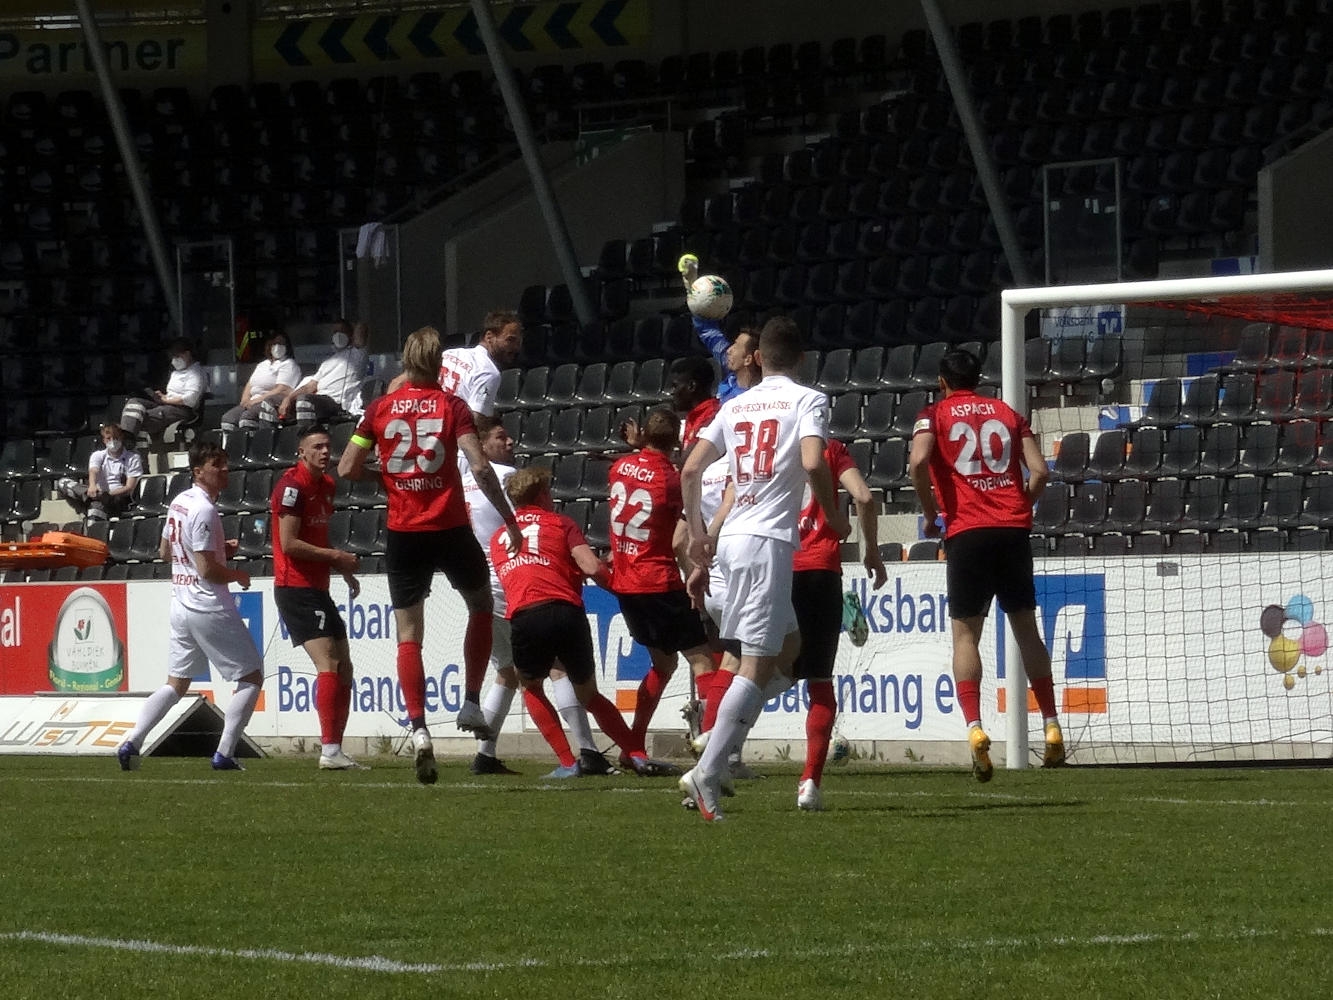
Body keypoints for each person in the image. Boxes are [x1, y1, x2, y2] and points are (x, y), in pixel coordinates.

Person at [679, 314, 848, 820]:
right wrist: (832, 515)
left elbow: (691, 468)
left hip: (733, 539)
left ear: (758, 357)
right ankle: (708, 769)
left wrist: (699, 533)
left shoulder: (734, 404)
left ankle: (720, 734)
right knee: (755, 664)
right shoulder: (808, 399)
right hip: (767, 542)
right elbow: (814, 461)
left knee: (789, 650)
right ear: (802, 358)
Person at [338, 325, 521, 786]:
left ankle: (419, 729)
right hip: (450, 526)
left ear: (405, 362)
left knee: (408, 635)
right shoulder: (452, 406)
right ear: (439, 363)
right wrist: (510, 519)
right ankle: (471, 700)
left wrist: (387, 479)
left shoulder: (379, 409)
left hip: (404, 532)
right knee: (480, 605)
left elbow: (346, 467)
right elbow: (480, 467)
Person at [907, 346, 1065, 782]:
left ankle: (975, 728)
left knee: (965, 636)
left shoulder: (933, 414)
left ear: (942, 382)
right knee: (1027, 630)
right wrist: (1021, 507)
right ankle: (1052, 723)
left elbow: (918, 460)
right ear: (978, 378)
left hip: (967, 531)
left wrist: (930, 513)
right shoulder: (1007, 413)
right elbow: (1040, 471)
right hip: (1012, 530)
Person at [489, 465, 672, 777]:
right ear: (542, 495)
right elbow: (591, 567)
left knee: (530, 687)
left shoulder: (498, 538)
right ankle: (637, 755)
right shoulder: (561, 523)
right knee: (589, 694)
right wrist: (623, 590)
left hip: (526, 615)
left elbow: (519, 577)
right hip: (567, 612)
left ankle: (567, 762)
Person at [459, 414, 603, 776]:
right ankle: (587, 751)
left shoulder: (463, 482)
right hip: (513, 580)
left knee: (508, 672)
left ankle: (485, 754)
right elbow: (533, 521)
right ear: (481, 444)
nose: (509, 442)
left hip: (480, 583)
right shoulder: (505, 478)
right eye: (500, 437)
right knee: (557, 665)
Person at [116, 441, 263, 772]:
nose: (224, 470)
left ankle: (132, 742)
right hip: (207, 604)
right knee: (252, 676)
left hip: (180, 604)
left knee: (176, 684)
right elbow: (208, 571)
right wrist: (237, 573)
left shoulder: (179, 501)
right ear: (198, 471)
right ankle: (224, 754)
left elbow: (165, 552)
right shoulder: (204, 510)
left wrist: (219, 549)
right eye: (216, 464)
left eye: (224, 463)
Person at [606, 406, 711, 772]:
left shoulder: (618, 468)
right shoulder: (672, 479)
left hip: (625, 582)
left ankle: (633, 744)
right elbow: (682, 529)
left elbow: (640, 470)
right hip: (658, 579)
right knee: (702, 660)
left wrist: (638, 448)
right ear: (678, 440)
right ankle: (715, 749)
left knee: (663, 664)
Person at [789, 438, 888, 811]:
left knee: (752, 675)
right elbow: (864, 497)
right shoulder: (832, 450)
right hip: (820, 571)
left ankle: (716, 758)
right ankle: (810, 782)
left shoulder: (774, 444)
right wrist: (871, 551)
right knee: (819, 681)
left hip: (775, 569)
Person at [271, 423, 365, 771]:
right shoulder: (292, 488)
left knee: (344, 666)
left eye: (327, 446)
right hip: (294, 587)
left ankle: (335, 748)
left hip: (317, 587)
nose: (325, 452)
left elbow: (319, 539)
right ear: (301, 452)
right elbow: (289, 543)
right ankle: (329, 750)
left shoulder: (326, 485)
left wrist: (340, 568)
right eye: (317, 447)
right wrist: (337, 557)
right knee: (328, 662)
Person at [386, 309, 522, 417]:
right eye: (510, 340)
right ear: (489, 337)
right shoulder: (489, 372)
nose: (516, 347)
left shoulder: (449, 353)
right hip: (452, 438)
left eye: (518, 342)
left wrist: (386, 419)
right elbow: (476, 420)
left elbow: (397, 383)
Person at [678, 252, 756, 403]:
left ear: (749, 359)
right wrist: (692, 290)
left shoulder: (756, 396)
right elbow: (709, 333)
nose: (729, 349)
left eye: (736, 347)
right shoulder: (729, 365)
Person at [268, 319, 368, 426]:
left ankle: (307, 435)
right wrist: (289, 398)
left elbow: (362, 327)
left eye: (342, 331)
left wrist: (352, 326)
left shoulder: (357, 355)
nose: (338, 335)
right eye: (335, 332)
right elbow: (309, 387)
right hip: (320, 400)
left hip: (337, 404)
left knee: (304, 400)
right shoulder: (327, 362)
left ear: (351, 335)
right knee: (269, 403)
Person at [119, 339, 207, 440]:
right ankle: (126, 437)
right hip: (166, 404)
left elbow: (190, 400)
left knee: (141, 418)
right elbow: (172, 393)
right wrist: (162, 397)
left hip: (181, 410)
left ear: (187, 354)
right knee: (134, 403)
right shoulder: (176, 373)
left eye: (176, 356)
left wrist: (166, 400)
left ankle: (126, 440)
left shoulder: (196, 373)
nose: (174, 360)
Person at [56, 422, 142, 522]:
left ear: (121, 437)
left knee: (95, 506)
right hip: (97, 494)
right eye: (109, 438)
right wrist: (92, 486)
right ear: (104, 440)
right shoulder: (98, 455)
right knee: (63, 483)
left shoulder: (132, 458)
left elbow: (129, 488)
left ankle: (91, 502)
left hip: (118, 498)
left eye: (115, 438)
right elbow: (93, 471)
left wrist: (108, 494)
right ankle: (89, 497)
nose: (112, 441)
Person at [220, 332, 302, 431]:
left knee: (248, 418)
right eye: (275, 343)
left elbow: (282, 389)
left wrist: (256, 401)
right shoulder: (262, 365)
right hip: (252, 402)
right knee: (228, 419)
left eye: (281, 343)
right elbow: (250, 384)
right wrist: (245, 400)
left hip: (269, 403)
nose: (278, 346)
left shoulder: (289, 364)